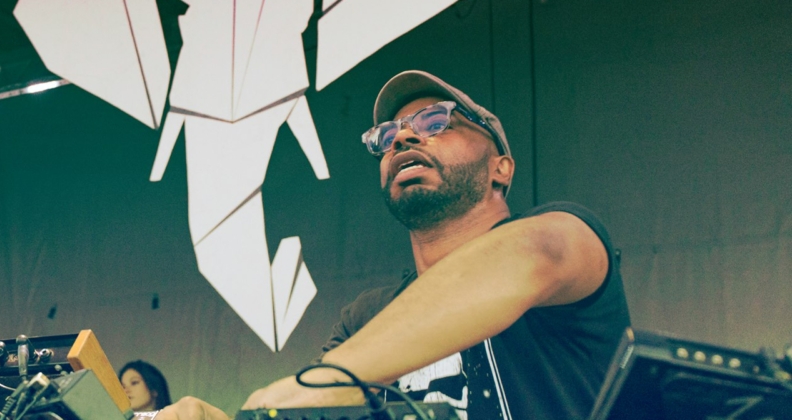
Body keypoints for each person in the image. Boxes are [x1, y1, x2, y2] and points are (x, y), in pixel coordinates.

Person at [155, 70, 631, 420]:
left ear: (500, 167)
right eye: (386, 136)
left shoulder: (568, 236)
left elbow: (532, 254)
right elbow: (308, 412)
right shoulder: (365, 318)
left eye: (435, 121)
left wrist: (323, 383)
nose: (402, 136)